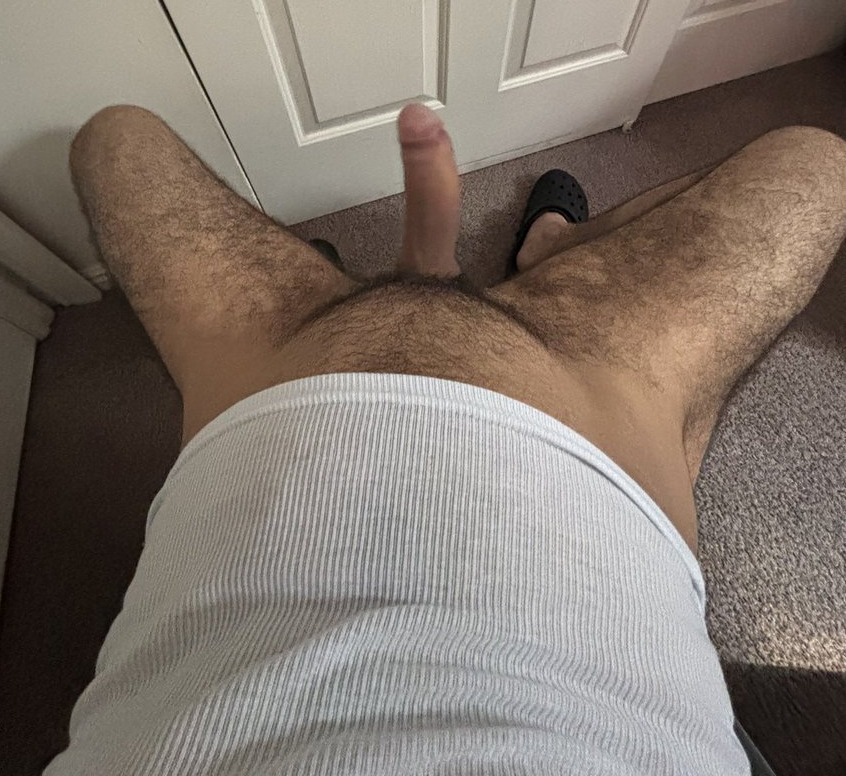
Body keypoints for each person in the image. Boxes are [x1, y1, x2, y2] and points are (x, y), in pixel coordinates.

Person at [44, 102, 846, 775]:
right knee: (815, 169)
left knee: (115, 144)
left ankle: (332, 295)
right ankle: (541, 258)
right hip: (599, 434)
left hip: (265, 402)